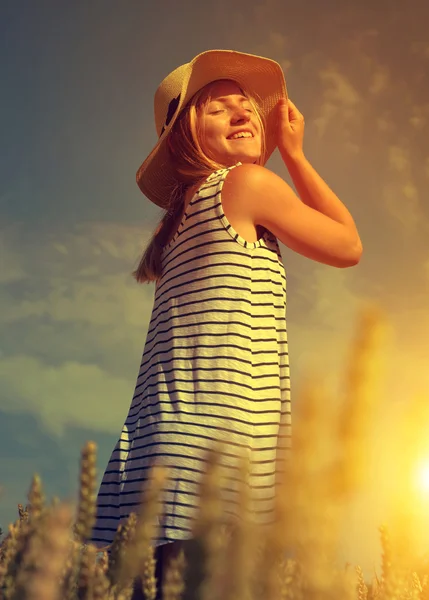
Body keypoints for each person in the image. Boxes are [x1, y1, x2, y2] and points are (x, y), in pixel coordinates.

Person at [90, 49, 362, 599]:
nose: (243, 113)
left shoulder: (180, 221)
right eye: (218, 108)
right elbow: (348, 244)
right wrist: (295, 153)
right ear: (185, 134)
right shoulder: (246, 185)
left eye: (248, 108)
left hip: (151, 463)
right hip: (211, 467)